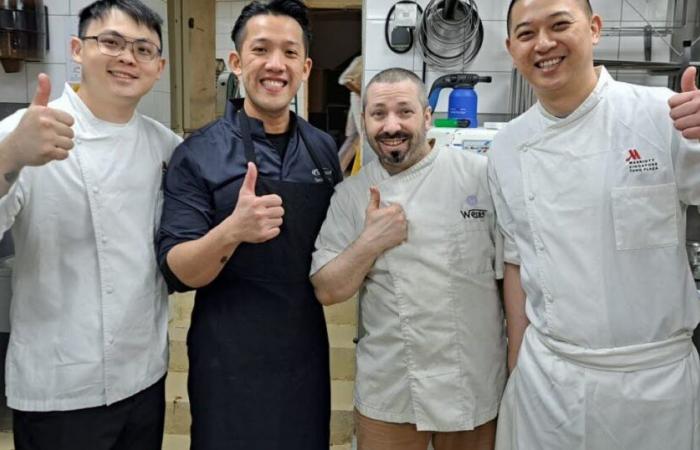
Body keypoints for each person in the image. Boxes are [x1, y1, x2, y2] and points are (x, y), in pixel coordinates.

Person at [488, 0, 700, 449]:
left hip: (654, 388)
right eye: (526, 34)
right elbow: (517, 266)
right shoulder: (506, 148)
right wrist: (516, 368)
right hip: (548, 384)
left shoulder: (662, 115)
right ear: (511, 48)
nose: (544, 44)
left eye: (560, 25)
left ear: (595, 28)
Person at [155, 1, 341, 448]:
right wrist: (232, 230)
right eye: (261, 50)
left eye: (290, 53)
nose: (276, 65)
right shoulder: (198, 153)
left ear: (305, 67)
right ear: (237, 62)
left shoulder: (322, 149)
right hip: (227, 354)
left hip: (303, 350)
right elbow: (178, 272)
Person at [0, 0, 181, 449]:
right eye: (112, 42)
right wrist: (9, 159)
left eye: (143, 50)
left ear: (158, 67)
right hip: (59, 387)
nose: (127, 58)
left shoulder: (165, 146)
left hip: (143, 377)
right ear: (78, 49)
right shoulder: (25, 132)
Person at [310, 68, 506, 450]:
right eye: (378, 114)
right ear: (363, 120)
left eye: (404, 111)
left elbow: (509, 277)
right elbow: (327, 289)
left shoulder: (479, 177)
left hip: (474, 380)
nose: (391, 125)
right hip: (393, 388)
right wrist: (370, 242)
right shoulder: (351, 195)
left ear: (427, 116)